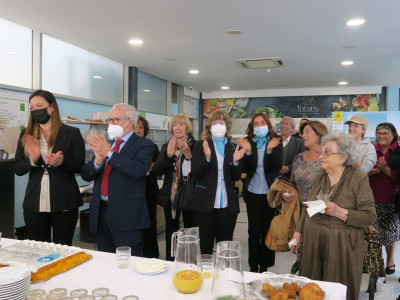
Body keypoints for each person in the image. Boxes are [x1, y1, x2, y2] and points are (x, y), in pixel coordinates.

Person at [290, 131, 376, 300]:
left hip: (342, 244)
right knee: (312, 288)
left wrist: (342, 212)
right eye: (322, 151)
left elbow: (370, 216)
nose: (321, 155)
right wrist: (298, 233)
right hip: (314, 239)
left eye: (327, 152)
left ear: (344, 157)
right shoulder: (320, 175)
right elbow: (309, 208)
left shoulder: (358, 179)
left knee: (336, 290)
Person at [14, 89, 85, 246]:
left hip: (65, 202)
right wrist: (32, 159)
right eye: (32, 108)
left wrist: (62, 161)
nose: (36, 110)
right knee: (39, 249)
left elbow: (80, 167)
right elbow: (18, 169)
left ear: (52, 107)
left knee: (63, 249)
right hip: (34, 203)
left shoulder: (72, 133)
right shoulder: (27, 133)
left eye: (39, 105)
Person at [80, 103, 153, 255]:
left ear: (130, 122)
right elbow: (86, 174)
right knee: (106, 261)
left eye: (116, 119)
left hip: (127, 216)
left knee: (128, 262)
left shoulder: (144, 144)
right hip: (102, 212)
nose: (111, 123)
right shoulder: (108, 144)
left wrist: (110, 154)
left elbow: (138, 170)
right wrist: (98, 160)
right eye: (110, 119)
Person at [189, 110, 246, 254]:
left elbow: (236, 176)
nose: (219, 125)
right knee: (205, 246)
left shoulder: (233, 148)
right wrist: (207, 158)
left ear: (227, 126)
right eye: (215, 122)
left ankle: (223, 275)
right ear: (209, 127)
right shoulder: (201, 146)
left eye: (222, 122)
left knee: (225, 246)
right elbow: (194, 172)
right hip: (204, 203)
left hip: (227, 205)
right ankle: (206, 274)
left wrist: (234, 161)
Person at [238, 113, 282, 272]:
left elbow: (276, 166)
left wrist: (269, 151)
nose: (259, 125)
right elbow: (245, 168)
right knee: (253, 231)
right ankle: (252, 265)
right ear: (252, 127)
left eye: (262, 122)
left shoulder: (276, 141)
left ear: (268, 125)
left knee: (268, 230)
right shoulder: (248, 142)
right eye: (256, 123)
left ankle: (264, 266)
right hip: (253, 192)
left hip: (270, 194)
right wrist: (249, 151)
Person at [152, 114, 196, 261]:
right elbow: (157, 170)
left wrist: (188, 154)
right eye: (175, 125)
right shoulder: (166, 145)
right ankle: (171, 262)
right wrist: (168, 156)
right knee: (171, 230)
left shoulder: (196, 145)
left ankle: (190, 261)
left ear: (187, 127)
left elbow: (199, 171)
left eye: (181, 125)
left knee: (190, 229)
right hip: (170, 195)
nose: (177, 128)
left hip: (190, 194)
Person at [368, 122, 400, 275]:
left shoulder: (397, 151)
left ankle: (390, 260)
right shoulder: (371, 150)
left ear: (393, 135)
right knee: (374, 232)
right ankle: (376, 261)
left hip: (392, 197)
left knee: (390, 232)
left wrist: (385, 169)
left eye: (385, 133)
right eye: (379, 133)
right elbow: (363, 172)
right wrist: (376, 170)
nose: (381, 136)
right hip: (371, 197)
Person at [134, 116, 160, 258]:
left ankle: (152, 257)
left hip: (148, 191)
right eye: (135, 126)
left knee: (150, 226)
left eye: (141, 127)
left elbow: (159, 165)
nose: (138, 129)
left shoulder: (151, 145)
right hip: (132, 192)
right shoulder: (127, 147)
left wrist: (154, 166)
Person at [287, 121, 328, 203]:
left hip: (323, 212)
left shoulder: (329, 158)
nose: (303, 135)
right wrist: (288, 193)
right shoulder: (298, 158)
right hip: (300, 211)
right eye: (303, 132)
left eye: (307, 131)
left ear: (319, 134)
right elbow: (292, 183)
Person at [278, 116, 305, 181]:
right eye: (282, 123)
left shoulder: (300, 143)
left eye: (287, 124)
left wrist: (289, 168)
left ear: (292, 128)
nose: (283, 126)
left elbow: (303, 161)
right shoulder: (273, 140)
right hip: (273, 180)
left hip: (291, 180)